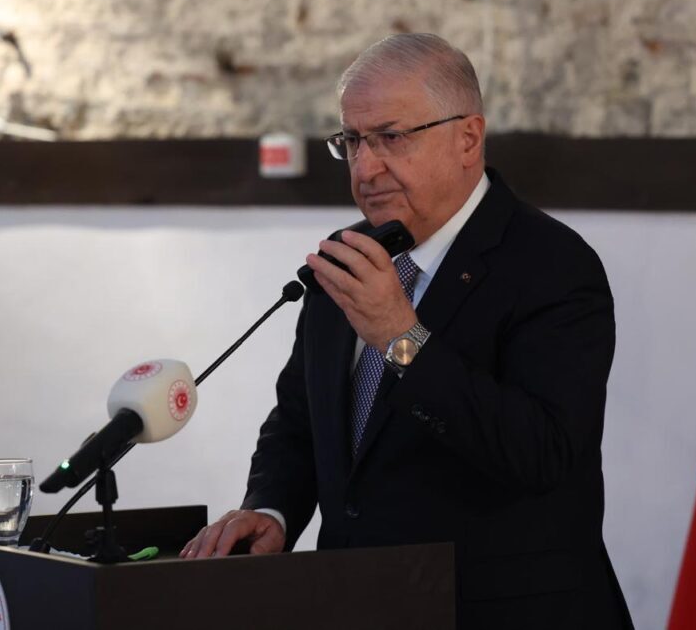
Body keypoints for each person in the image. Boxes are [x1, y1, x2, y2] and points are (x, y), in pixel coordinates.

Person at [181, 33, 633, 628]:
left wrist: (401, 336)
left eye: (391, 137)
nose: (366, 168)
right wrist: (272, 509)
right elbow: (301, 419)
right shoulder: (350, 255)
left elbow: (541, 453)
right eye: (352, 141)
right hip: (360, 603)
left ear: (467, 137)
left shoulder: (552, 265)